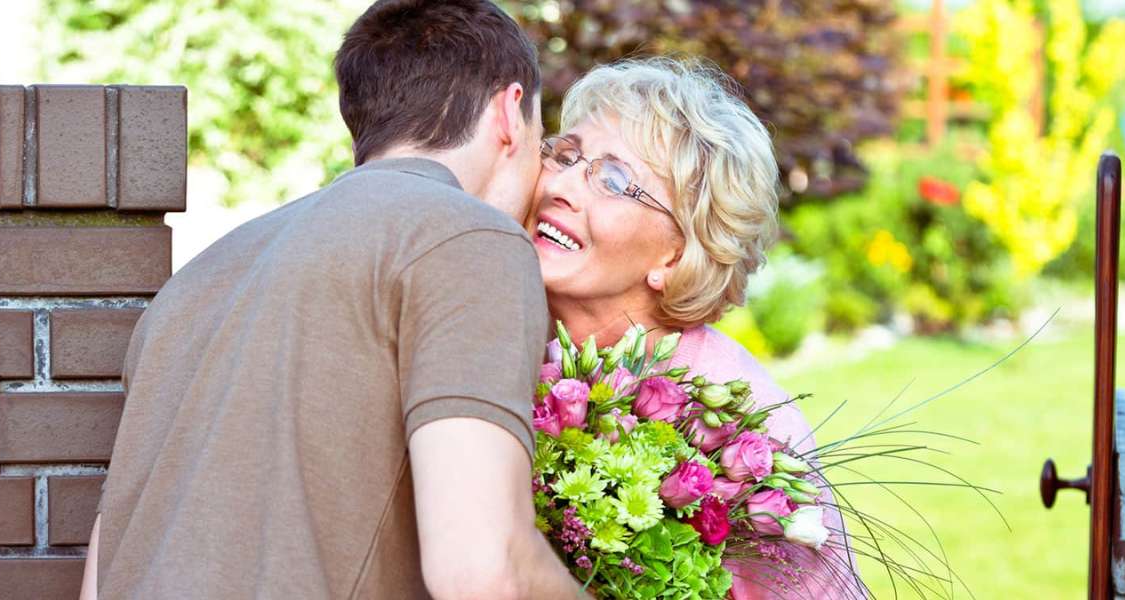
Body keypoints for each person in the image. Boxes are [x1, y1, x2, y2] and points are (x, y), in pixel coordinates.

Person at [80, 1, 583, 598]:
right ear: (509, 112)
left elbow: (101, 574)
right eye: (541, 139)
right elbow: (483, 568)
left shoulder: (196, 280)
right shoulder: (471, 238)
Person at [529, 57, 865, 598]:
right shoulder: (513, 339)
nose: (561, 186)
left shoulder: (736, 435)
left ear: (678, 253)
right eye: (565, 156)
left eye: (613, 180)